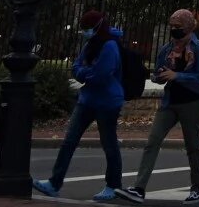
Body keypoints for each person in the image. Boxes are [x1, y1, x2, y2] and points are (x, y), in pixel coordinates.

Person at [34, 10, 129, 202]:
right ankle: (54, 183)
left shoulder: (110, 45)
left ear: (98, 27)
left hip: (107, 101)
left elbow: (101, 74)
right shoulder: (90, 44)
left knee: (109, 143)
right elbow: (76, 67)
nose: (86, 32)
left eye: (88, 28)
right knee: (69, 141)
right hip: (87, 99)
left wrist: (84, 72)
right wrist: (86, 72)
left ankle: (113, 185)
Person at [125, 8, 199, 204]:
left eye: (178, 26)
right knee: (153, 141)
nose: (174, 30)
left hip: (192, 102)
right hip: (170, 101)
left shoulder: (198, 48)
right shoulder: (167, 48)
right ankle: (139, 188)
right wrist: (159, 76)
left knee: (193, 146)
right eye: (171, 26)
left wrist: (177, 75)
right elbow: (158, 71)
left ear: (188, 27)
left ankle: (196, 189)